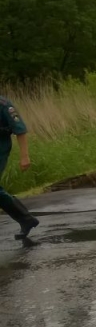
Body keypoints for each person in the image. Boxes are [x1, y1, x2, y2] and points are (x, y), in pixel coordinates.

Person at [0, 96, 38, 239]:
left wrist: (24, 157)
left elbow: (20, 130)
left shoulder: (4, 106)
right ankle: (26, 220)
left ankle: (25, 219)